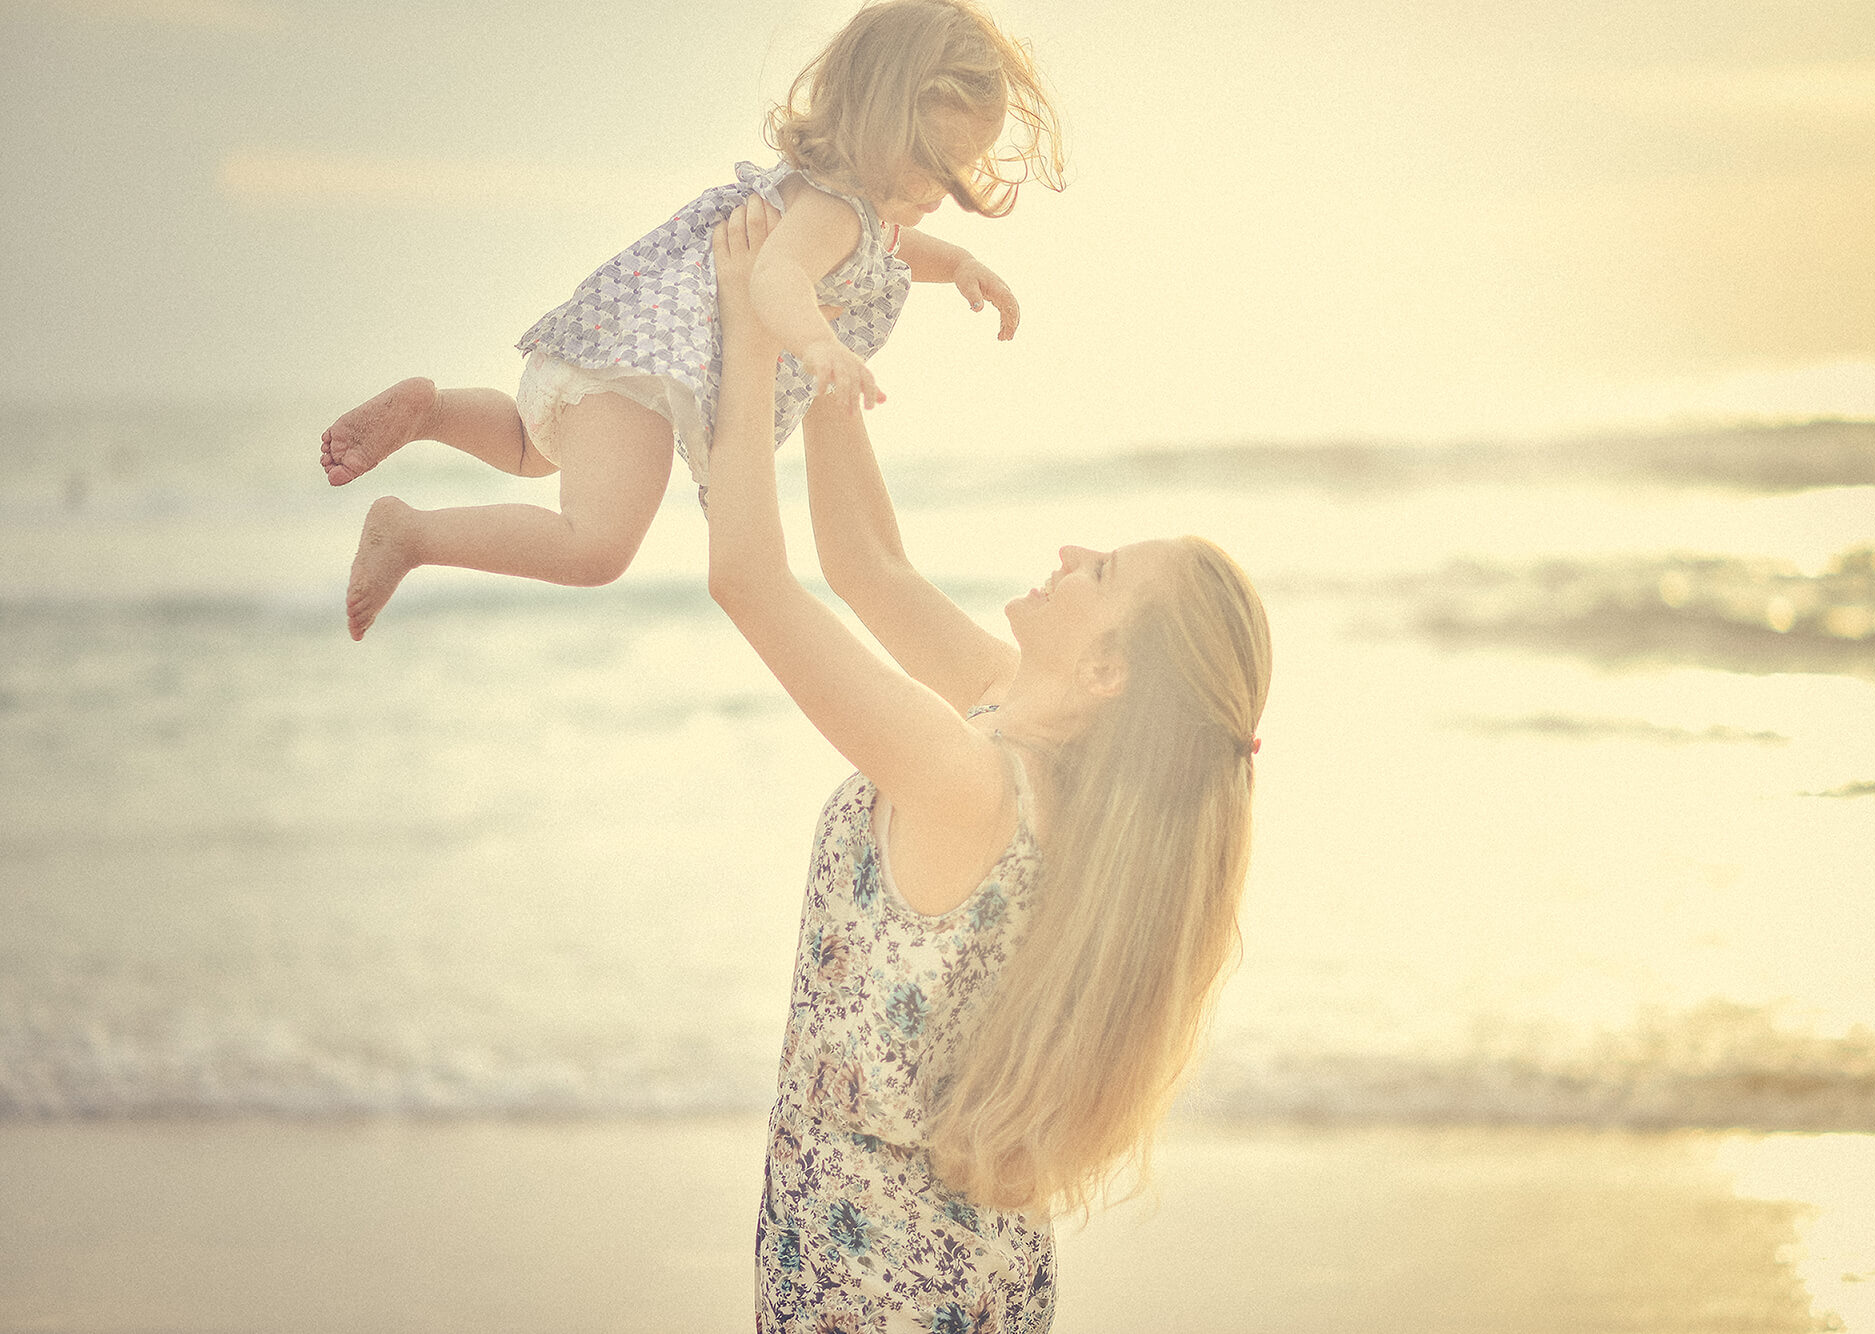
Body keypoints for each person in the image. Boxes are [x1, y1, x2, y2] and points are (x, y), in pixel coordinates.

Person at [705, 198, 1271, 1331]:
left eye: (1100, 570)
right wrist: (827, 348)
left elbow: (749, 581)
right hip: (959, 1268)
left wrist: (748, 333)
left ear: (1109, 672)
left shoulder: (967, 776)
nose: (1068, 551)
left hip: (873, 1288)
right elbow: (867, 563)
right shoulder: (1019, 730)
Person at [319, 0, 1063, 640]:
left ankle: (434, 411)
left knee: (530, 445)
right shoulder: (835, 211)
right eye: (937, 163)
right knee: (595, 549)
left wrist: (959, 262)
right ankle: (411, 533)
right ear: (880, 126)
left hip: (608, 345)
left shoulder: (838, 199)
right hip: (647, 372)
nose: (947, 185)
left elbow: (893, 248)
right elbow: (776, 277)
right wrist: (818, 345)